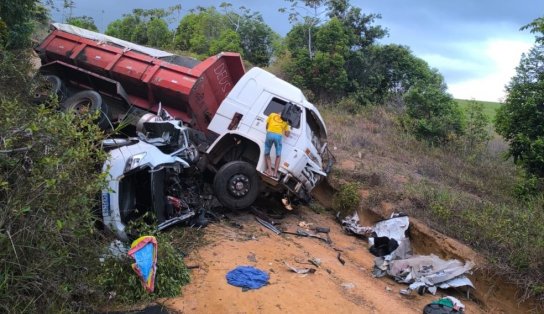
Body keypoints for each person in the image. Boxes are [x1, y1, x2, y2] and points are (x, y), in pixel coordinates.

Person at [264, 111, 290, 178]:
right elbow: (287, 135)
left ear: (278, 113)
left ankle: (269, 171)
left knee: (267, 153)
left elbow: (266, 126)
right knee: (278, 155)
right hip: (278, 136)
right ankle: (275, 174)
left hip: (269, 134)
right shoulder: (286, 121)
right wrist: (289, 127)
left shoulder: (272, 114)